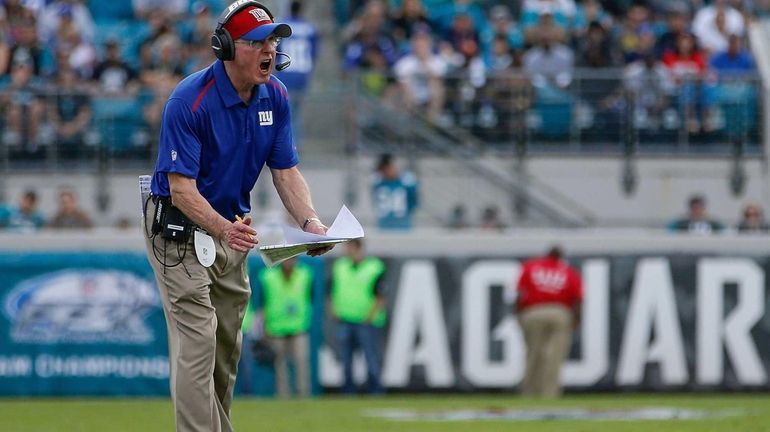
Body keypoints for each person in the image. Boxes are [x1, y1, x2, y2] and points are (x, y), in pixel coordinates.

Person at [142, 2, 332, 431]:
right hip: (178, 228)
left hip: (231, 228)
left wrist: (312, 224)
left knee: (226, 344)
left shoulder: (276, 95)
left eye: (273, 40)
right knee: (199, 338)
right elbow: (181, 189)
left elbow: (284, 170)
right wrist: (225, 229)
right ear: (227, 47)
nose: (270, 49)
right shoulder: (188, 101)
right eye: (256, 41)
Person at [515, 245, 582, 398]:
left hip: (533, 311)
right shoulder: (569, 272)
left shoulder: (531, 267)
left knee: (533, 353)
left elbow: (520, 294)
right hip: (560, 312)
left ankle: (528, 392)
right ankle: (550, 393)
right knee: (555, 356)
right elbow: (577, 300)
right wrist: (576, 319)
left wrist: (518, 315)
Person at [329, 238, 386, 394]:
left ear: (357, 248)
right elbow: (332, 291)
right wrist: (333, 309)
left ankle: (375, 390)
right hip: (345, 319)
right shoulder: (340, 266)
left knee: (371, 358)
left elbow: (380, 295)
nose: (347, 251)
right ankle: (348, 391)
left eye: (349, 247)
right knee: (346, 359)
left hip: (366, 321)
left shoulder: (374, 267)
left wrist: (370, 316)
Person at [256, 257, 313, 398]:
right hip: (276, 328)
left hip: (298, 327)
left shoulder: (305, 274)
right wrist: (263, 327)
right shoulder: (268, 277)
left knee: (301, 362)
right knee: (280, 366)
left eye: (292, 259)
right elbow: (262, 304)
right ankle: (283, 396)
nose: (289, 262)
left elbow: (310, 299)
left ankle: (303, 394)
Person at [371, 153, 419, 230]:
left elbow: (413, 201)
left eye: (388, 168)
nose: (386, 171)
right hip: (384, 225)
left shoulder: (405, 182)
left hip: (402, 224)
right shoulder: (379, 183)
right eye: (383, 169)